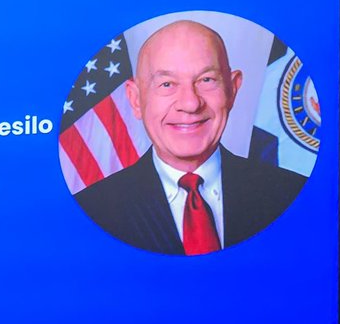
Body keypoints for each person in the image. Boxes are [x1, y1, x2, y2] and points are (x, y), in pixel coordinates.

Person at [73, 20, 307, 255]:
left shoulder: (292, 194)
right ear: (135, 99)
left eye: (206, 80)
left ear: (233, 89)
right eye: (167, 84)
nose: (190, 103)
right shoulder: (94, 209)